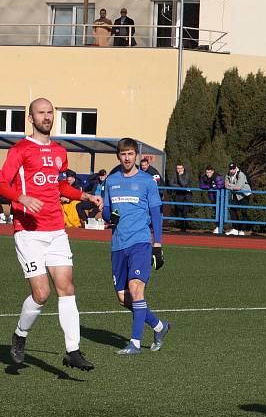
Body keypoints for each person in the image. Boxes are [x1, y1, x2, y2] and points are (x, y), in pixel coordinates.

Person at [0, 98, 101, 371]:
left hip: (56, 229)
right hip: (28, 232)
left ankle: (73, 350)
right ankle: (20, 336)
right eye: (41, 113)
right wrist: (21, 197)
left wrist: (85, 194)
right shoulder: (20, 150)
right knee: (42, 294)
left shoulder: (59, 151)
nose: (46, 117)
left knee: (66, 287)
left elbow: (59, 187)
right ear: (30, 118)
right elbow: (1, 183)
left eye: (50, 113)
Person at [103, 138, 170, 355]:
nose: (127, 157)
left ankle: (135, 343)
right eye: (123, 154)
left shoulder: (148, 181)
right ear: (119, 156)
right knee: (124, 298)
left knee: (135, 288)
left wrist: (157, 244)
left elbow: (156, 214)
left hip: (140, 242)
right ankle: (160, 326)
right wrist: (108, 215)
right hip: (118, 245)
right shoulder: (111, 181)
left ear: (136, 156)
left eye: (131, 154)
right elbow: (106, 212)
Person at [225, 162, 251, 236]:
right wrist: (232, 186)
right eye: (230, 169)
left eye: (233, 169)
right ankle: (235, 229)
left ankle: (242, 230)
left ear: (236, 168)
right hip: (236, 194)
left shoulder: (241, 174)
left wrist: (230, 185)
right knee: (232, 210)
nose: (232, 170)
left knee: (244, 212)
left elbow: (238, 187)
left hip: (244, 194)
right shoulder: (228, 175)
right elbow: (225, 185)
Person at [199, 166, 225, 234]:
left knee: (220, 212)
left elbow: (220, 186)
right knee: (215, 212)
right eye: (207, 172)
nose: (208, 174)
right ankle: (218, 227)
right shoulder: (204, 177)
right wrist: (210, 187)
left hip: (220, 198)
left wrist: (212, 187)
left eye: (209, 172)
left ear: (213, 171)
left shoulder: (217, 177)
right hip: (212, 197)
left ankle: (220, 227)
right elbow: (201, 185)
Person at [171, 163, 192, 231]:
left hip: (186, 195)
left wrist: (179, 176)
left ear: (183, 168)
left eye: (180, 168)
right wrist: (179, 187)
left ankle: (185, 226)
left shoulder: (187, 174)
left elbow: (184, 183)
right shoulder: (174, 174)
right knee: (179, 210)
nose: (179, 170)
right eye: (178, 168)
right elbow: (171, 183)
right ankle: (181, 226)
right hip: (178, 194)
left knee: (185, 211)